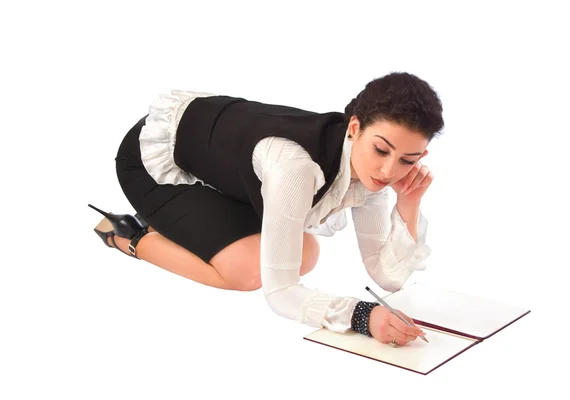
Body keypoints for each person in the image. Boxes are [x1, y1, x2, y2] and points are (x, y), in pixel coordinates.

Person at [89, 71, 444, 348]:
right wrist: (363, 317)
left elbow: (388, 277)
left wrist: (409, 203)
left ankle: (188, 226)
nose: (388, 171)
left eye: (407, 160)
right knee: (246, 271)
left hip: (224, 162)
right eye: (382, 150)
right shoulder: (296, 168)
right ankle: (128, 234)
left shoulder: (373, 177)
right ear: (355, 128)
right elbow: (280, 294)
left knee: (305, 251)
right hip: (155, 160)